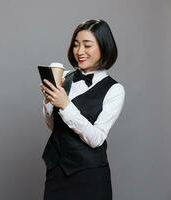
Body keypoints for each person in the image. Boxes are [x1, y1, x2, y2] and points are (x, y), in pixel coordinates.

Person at [39, 19, 125, 200]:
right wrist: (49, 101)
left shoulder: (115, 89)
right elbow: (54, 127)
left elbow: (97, 138)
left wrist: (66, 105)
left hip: (89, 176)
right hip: (56, 172)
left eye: (87, 45)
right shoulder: (67, 76)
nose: (80, 52)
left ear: (104, 47)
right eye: (76, 45)